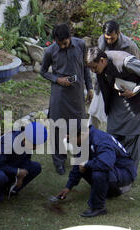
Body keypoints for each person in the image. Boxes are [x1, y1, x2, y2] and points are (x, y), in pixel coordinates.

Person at [85, 47, 140, 173]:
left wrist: (135, 90)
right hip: (118, 98)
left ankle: (128, 173)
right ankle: (113, 169)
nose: (93, 71)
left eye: (94, 67)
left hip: (138, 100)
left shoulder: (125, 61)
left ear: (102, 60)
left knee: (131, 136)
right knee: (113, 134)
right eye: (90, 68)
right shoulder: (101, 66)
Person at [40, 23, 93, 175]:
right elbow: (43, 71)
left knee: (80, 126)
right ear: (55, 40)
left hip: (77, 94)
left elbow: (85, 68)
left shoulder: (81, 45)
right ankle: (59, 161)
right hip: (59, 94)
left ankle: (80, 158)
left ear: (70, 38)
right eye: (59, 43)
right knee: (57, 127)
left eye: (65, 43)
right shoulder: (50, 51)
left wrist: (89, 88)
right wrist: (57, 79)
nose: (62, 46)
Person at [57, 123, 137, 218]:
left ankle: (98, 207)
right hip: (113, 168)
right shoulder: (85, 139)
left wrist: (86, 164)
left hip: (125, 171)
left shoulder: (100, 140)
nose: (70, 143)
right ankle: (111, 191)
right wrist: (68, 187)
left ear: (81, 134)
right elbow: (79, 163)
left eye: (70, 140)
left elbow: (106, 164)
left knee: (99, 172)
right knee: (85, 166)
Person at [0, 122, 47, 213]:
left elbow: (26, 160)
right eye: (35, 144)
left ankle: (9, 189)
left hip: (7, 163)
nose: (36, 148)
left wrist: (21, 177)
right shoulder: (9, 142)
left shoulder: (26, 142)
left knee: (35, 167)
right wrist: (17, 171)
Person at [89, 20, 140, 129]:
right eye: (107, 38)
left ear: (118, 33)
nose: (109, 41)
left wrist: (136, 89)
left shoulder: (130, 46)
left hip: (123, 85)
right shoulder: (101, 40)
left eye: (112, 38)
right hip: (104, 83)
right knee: (94, 113)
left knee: (117, 117)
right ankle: (91, 140)